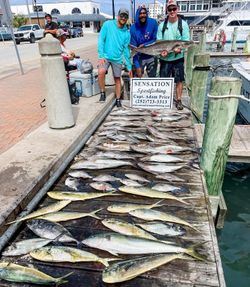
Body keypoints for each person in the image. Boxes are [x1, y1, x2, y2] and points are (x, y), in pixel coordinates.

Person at [157, 0, 190, 110]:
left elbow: (186, 41)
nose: (172, 11)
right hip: (165, 57)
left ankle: (179, 100)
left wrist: (179, 49)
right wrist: (161, 52)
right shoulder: (162, 25)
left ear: (177, 9)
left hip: (178, 58)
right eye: (169, 9)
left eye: (174, 9)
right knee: (164, 80)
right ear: (167, 10)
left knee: (179, 80)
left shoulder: (183, 24)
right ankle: (164, 100)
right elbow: (159, 41)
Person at [97, 8, 133, 108]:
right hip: (105, 57)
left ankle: (118, 99)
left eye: (125, 16)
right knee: (101, 72)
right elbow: (101, 40)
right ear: (118, 16)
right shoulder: (108, 24)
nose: (123, 18)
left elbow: (126, 51)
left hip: (117, 58)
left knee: (117, 79)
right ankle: (102, 92)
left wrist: (129, 67)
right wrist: (101, 55)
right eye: (121, 15)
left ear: (127, 18)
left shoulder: (127, 32)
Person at [130, 5, 158, 78]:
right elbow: (134, 49)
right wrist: (137, 66)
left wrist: (145, 45)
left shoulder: (153, 23)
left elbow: (155, 40)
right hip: (139, 57)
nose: (143, 15)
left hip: (152, 55)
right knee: (138, 77)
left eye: (144, 13)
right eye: (140, 13)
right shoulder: (133, 28)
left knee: (153, 78)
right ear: (137, 14)